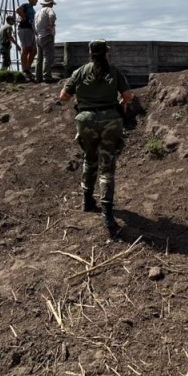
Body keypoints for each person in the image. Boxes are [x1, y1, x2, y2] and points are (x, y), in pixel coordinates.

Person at [59, 39, 133, 237]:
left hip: (85, 121)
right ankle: (108, 216)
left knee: (89, 159)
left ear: (90, 54)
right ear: (106, 53)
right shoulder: (114, 72)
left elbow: (63, 96)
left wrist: (82, 98)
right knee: (107, 167)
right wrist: (118, 101)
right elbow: (128, 96)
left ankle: (87, 200)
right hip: (110, 121)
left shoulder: (80, 72)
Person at [15, 0, 40, 81]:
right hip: (24, 28)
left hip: (30, 30)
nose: (37, 1)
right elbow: (18, 9)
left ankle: (28, 68)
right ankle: (24, 69)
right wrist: (24, 17)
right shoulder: (26, 5)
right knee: (25, 48)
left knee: (34, 50)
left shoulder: (33, 9)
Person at [34, 0, 57, 84]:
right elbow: (52, 16)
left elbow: (34, 25)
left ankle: (38, 77)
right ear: (50, 3)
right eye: (52, 4)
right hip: (47, 36)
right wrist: (51, 25)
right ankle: (47, 77)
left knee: (39, 59)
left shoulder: (37, 12)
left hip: (39, 37)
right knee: (48, 57)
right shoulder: (48, 9)